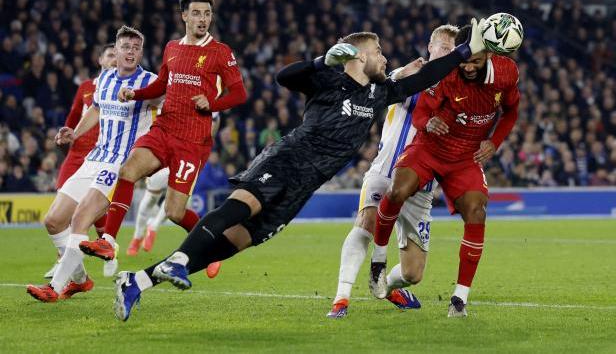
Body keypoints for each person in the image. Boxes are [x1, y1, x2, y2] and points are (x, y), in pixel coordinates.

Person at [113, 20, 486, 322]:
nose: (385, 60)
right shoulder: (330, 80)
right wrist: (322, 61)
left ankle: (138, 281)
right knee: (239, 209)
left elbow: (425, 76)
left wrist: (465, 50)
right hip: (286, 160)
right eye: (378, 53)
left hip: (303, 188)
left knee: (234, 244)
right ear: (358, 57)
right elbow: (285, 77)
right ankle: (177, 261)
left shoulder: (378, 94)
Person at [78, 0, 246, 261]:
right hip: (164, 128)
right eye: (196, 14)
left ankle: (215, 249)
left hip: (192, 140)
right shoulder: (172, 48)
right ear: (184, 17)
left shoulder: (220, 52)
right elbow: (160, 84)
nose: (202, 19)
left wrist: (212, 104)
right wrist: (136, 93)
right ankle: (108, 241)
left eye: (207, 14)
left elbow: (240, 94)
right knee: (127, 170)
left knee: (174, 212)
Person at [370, 24, 520, 317]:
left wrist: (495, 141)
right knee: (397, 190)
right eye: (463, 60)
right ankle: (378, 259)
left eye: (475, 61)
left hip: (465, 157)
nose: (467, 67)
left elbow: (512, 111)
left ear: (488, 56)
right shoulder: (445, 72)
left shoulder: (506, 73)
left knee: (477, 211)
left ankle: (459, 300)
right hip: (430, 148)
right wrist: (427, 122)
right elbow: (422, 112)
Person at [327, 25, 459, 318]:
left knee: (413, 273)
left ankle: (385, 286)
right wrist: (402, 72)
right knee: (366, 223)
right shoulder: (411, 75)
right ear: (430, 47)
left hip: (422, 189)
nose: (449, 54)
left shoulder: (458, 89)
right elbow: (384, 84)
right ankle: (341, 298)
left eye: (453, 50)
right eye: (445, 48)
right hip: (386, 171)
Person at [26, 25, 163, 302]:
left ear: (140, 53)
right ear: (117, 49)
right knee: (53, 221)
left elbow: (165, 98)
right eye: (126, 47)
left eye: (137, 48)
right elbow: (97, 109)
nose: (131, 52)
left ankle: (55, 287)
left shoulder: (150, 81)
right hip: (94, 159)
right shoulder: (105, 79)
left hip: (119, 165)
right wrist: (75, 132)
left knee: (79, 220)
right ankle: (80, 280)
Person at [43, 43, 117, 281]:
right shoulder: (86, 87)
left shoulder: (123, 87)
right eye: (110, 54)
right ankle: (64, 264)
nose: (115, 58)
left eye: (118, 54)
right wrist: (66, 134)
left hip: (101, 155)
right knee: (58, 212)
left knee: (96, 216)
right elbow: (75, 115)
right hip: (76, 154)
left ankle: (109, 252)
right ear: (100, 60)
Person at [126, 114, 223, 278]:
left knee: (176, 208)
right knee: (152, 200)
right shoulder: (166, 91)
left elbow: (218, 116)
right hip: (163, 146)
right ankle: (138, 236)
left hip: (188, 151)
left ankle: (153, 228)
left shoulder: (206, 93)